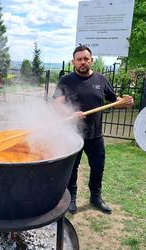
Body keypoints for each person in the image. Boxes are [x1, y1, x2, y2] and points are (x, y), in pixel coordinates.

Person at [53, 45, 133, 214]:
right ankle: (72, 198)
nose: (83, 62)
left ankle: (95, 197)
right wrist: (70, 113)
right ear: (73, 62)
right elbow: (57, 103)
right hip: (71, 135)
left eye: (86, 59)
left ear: (91, 60)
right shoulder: (66, 80)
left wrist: (124, 102)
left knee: (98, 167)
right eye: (79, 59)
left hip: (95, 135)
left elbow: (114, 100)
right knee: (71, 169)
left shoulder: (101, 80)